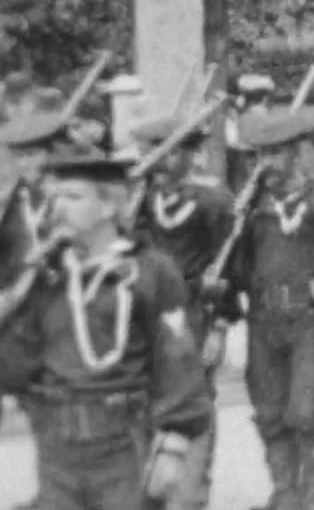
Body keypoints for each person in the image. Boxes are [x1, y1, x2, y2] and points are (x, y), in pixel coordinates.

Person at [0, 146, 213, 510]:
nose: (59, 207)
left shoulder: (149, 271)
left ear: (110, 206)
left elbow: (177, 359)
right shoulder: (47, 276)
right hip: (57, 442)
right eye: (55, 197)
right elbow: (16, 364)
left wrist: (174, 444)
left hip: (124, 441)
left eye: (74, 196)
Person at [212, 110, 314, 510]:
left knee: (303, 411)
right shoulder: (251, 206)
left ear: (295, 153)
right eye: (259, 156)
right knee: (269, 411)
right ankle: (285, 493)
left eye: (275, 155)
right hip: (264, 321)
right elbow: (234, 268)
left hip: (309, 318)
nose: (266, 165)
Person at [130, 115, 237, 510]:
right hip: (148, 313)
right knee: (143, 396)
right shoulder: (143, 194)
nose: (154, 158)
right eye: (151, 150)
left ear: (186, 153)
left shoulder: (214, 199)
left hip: (194, 310)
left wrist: (220, 326)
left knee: (193, 397)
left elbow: (229, 266)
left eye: (164, 149)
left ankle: (190, 493)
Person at [0, 112, 78, 510]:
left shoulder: (73, 198)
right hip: (25, 325)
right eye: (20, 158)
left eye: (34, 157)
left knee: (70, 410)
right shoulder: (15, 202)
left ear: (52, 155)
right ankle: (53, 493)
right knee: (38, 410)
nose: (27, 166)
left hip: (70, 317)